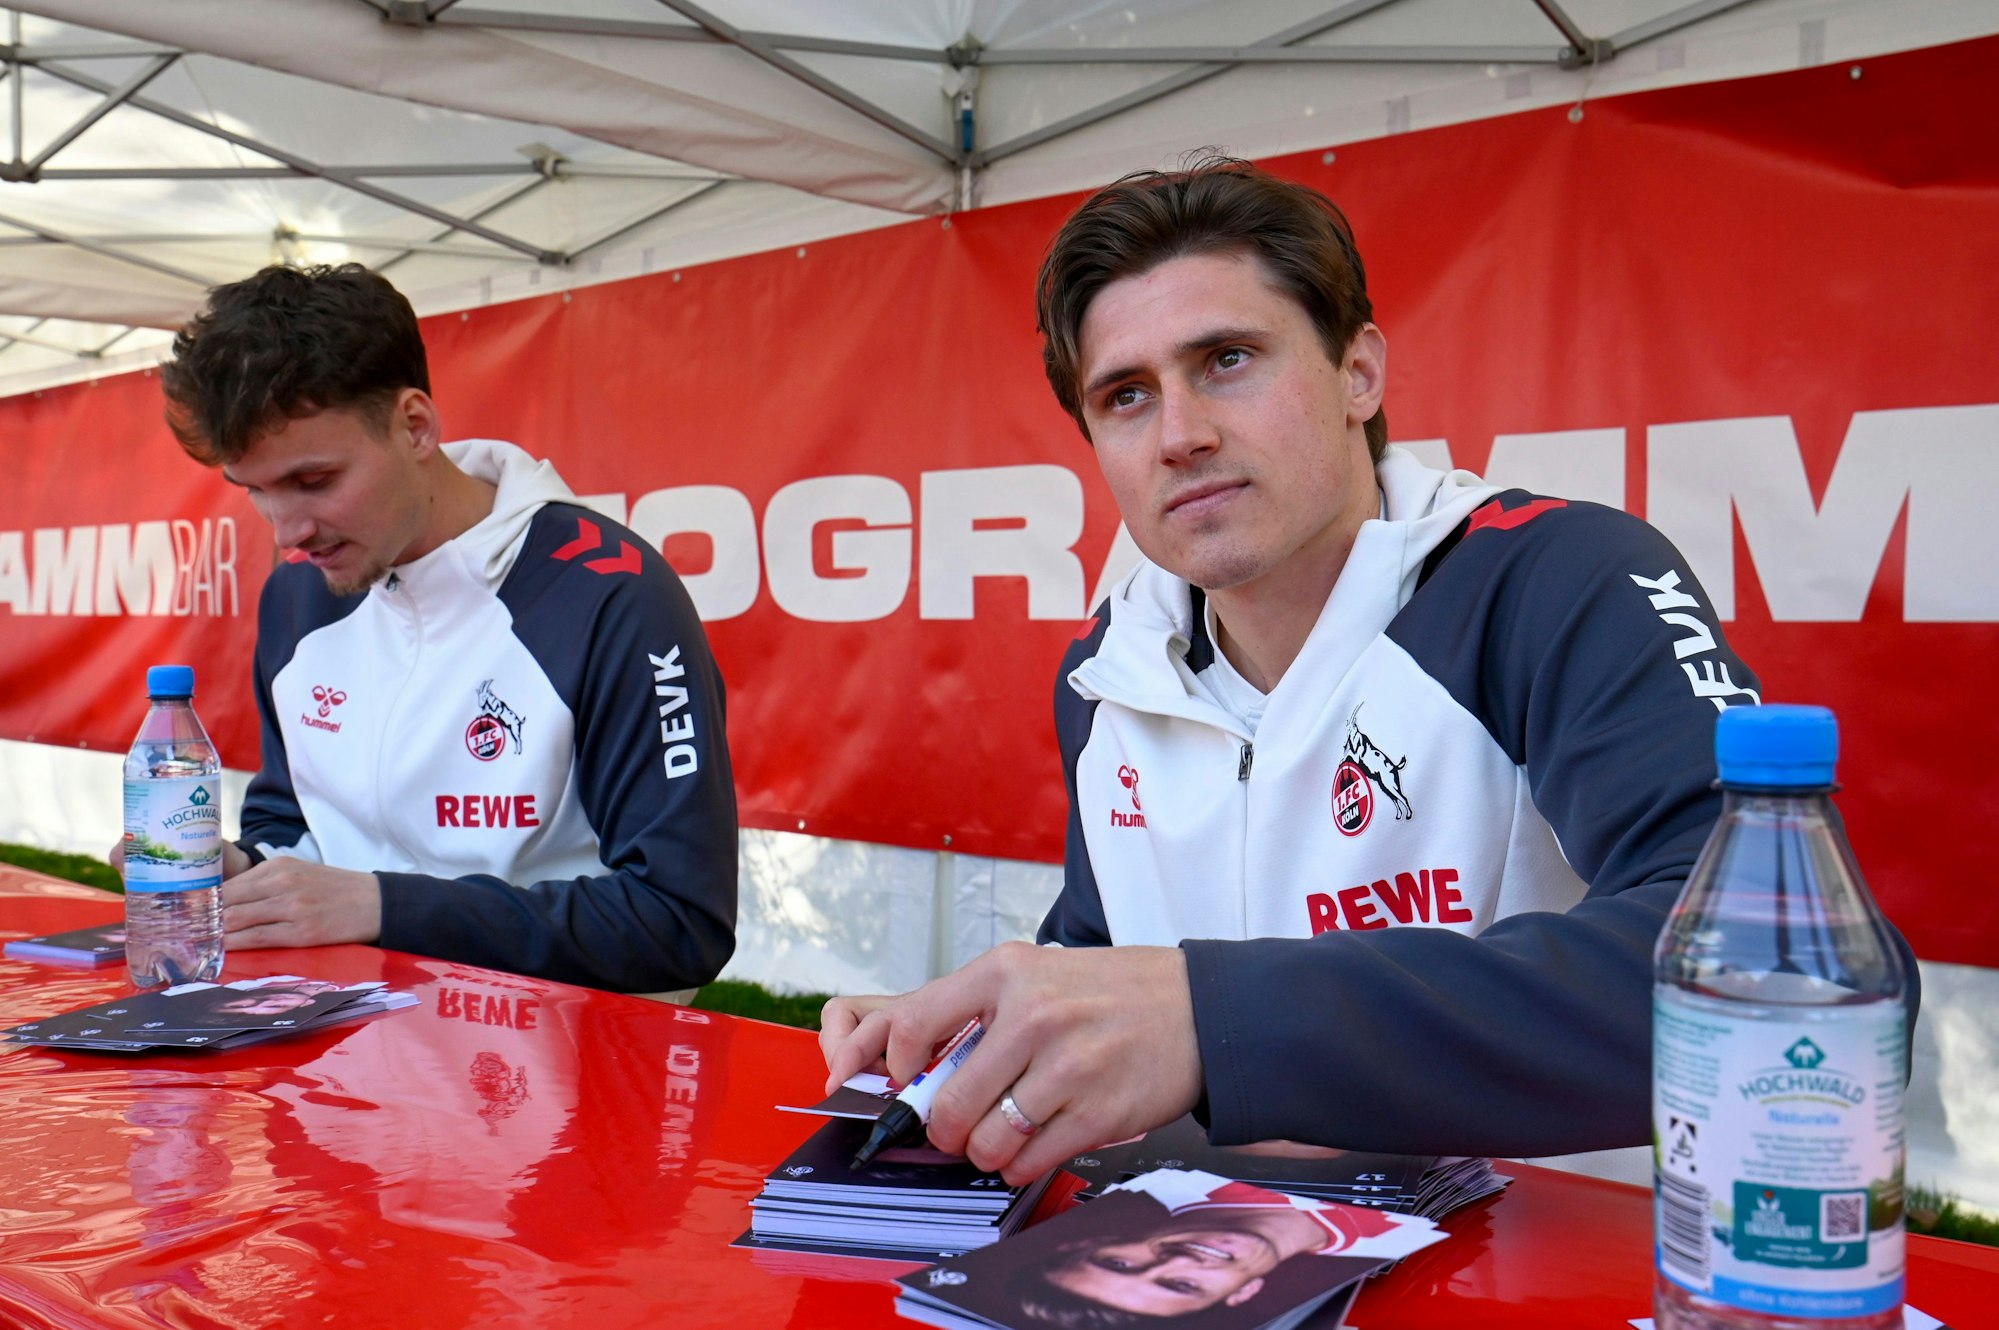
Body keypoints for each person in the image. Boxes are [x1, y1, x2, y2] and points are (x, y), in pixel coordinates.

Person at [823, 157, 1918, 1181]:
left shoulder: (1552, 576)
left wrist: (1216, 1022)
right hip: (1209, 1267)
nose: (1180, 434)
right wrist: (965, 1033)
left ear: (1358, 370)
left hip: (1530, 1281)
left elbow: (1791, 971)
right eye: (1126, 396)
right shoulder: (1105, 665)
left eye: (1227, 360)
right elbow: (1111, 956)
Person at [143, 262, 737, 995]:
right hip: (335, 1065)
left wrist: (385, 906)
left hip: (562, 1080)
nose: (288, 530)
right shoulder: (299, 592)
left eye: (313, 481)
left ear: (415, 425)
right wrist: (245, 870)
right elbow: (290, 822)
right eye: (255, 491)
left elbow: (678, 922)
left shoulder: (609, 593)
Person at [1013, 1169, 1421, 1322]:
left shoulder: (1134, 1151)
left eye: (1118, 1264)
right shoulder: (1393, 1242)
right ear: (1245, 1292)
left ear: (1091, 1240)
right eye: (1182, 1286)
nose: (1176, 1263)